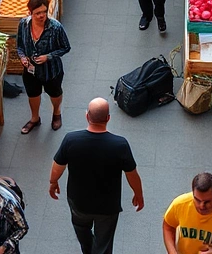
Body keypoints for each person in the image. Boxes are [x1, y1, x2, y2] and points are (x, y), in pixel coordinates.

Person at [50, 97, 145, 254]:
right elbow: (132, 174)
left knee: (81, 229)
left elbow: (57, 166)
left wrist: (53, 182)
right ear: (108, 118)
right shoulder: (120, 144)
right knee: (104, 240)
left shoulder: (71, 140)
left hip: (78, 202)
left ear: (87, 116)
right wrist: (138, 194)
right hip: (107, 207)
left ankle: (88, 250)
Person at [16, 0, 71, 134]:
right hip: (30, 70)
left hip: (51, 70)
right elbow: (20, 45)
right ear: (30, 13)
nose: (41, 16)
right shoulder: (23, 24)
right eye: (37, 13)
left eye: (44, 12)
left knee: (55, 93)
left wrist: (49, 56)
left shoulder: (55, 28)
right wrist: (22, 57)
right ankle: (35, 118)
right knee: (33, 94)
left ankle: (57, 113)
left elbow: (66, 47)